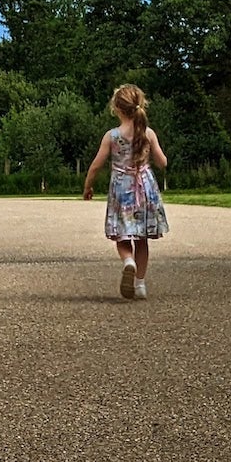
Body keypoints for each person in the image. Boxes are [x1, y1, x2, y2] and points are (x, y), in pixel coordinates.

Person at [83, 84, 169, 300]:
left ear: (117, 108)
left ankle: (128, 261)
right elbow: (162, 162)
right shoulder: (148, 133)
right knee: (142, 239)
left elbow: (96, 165)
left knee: (122, 235)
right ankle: (140, 284)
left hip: (122, 189)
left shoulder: (111, 136)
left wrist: (88, 186)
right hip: (145, 187)